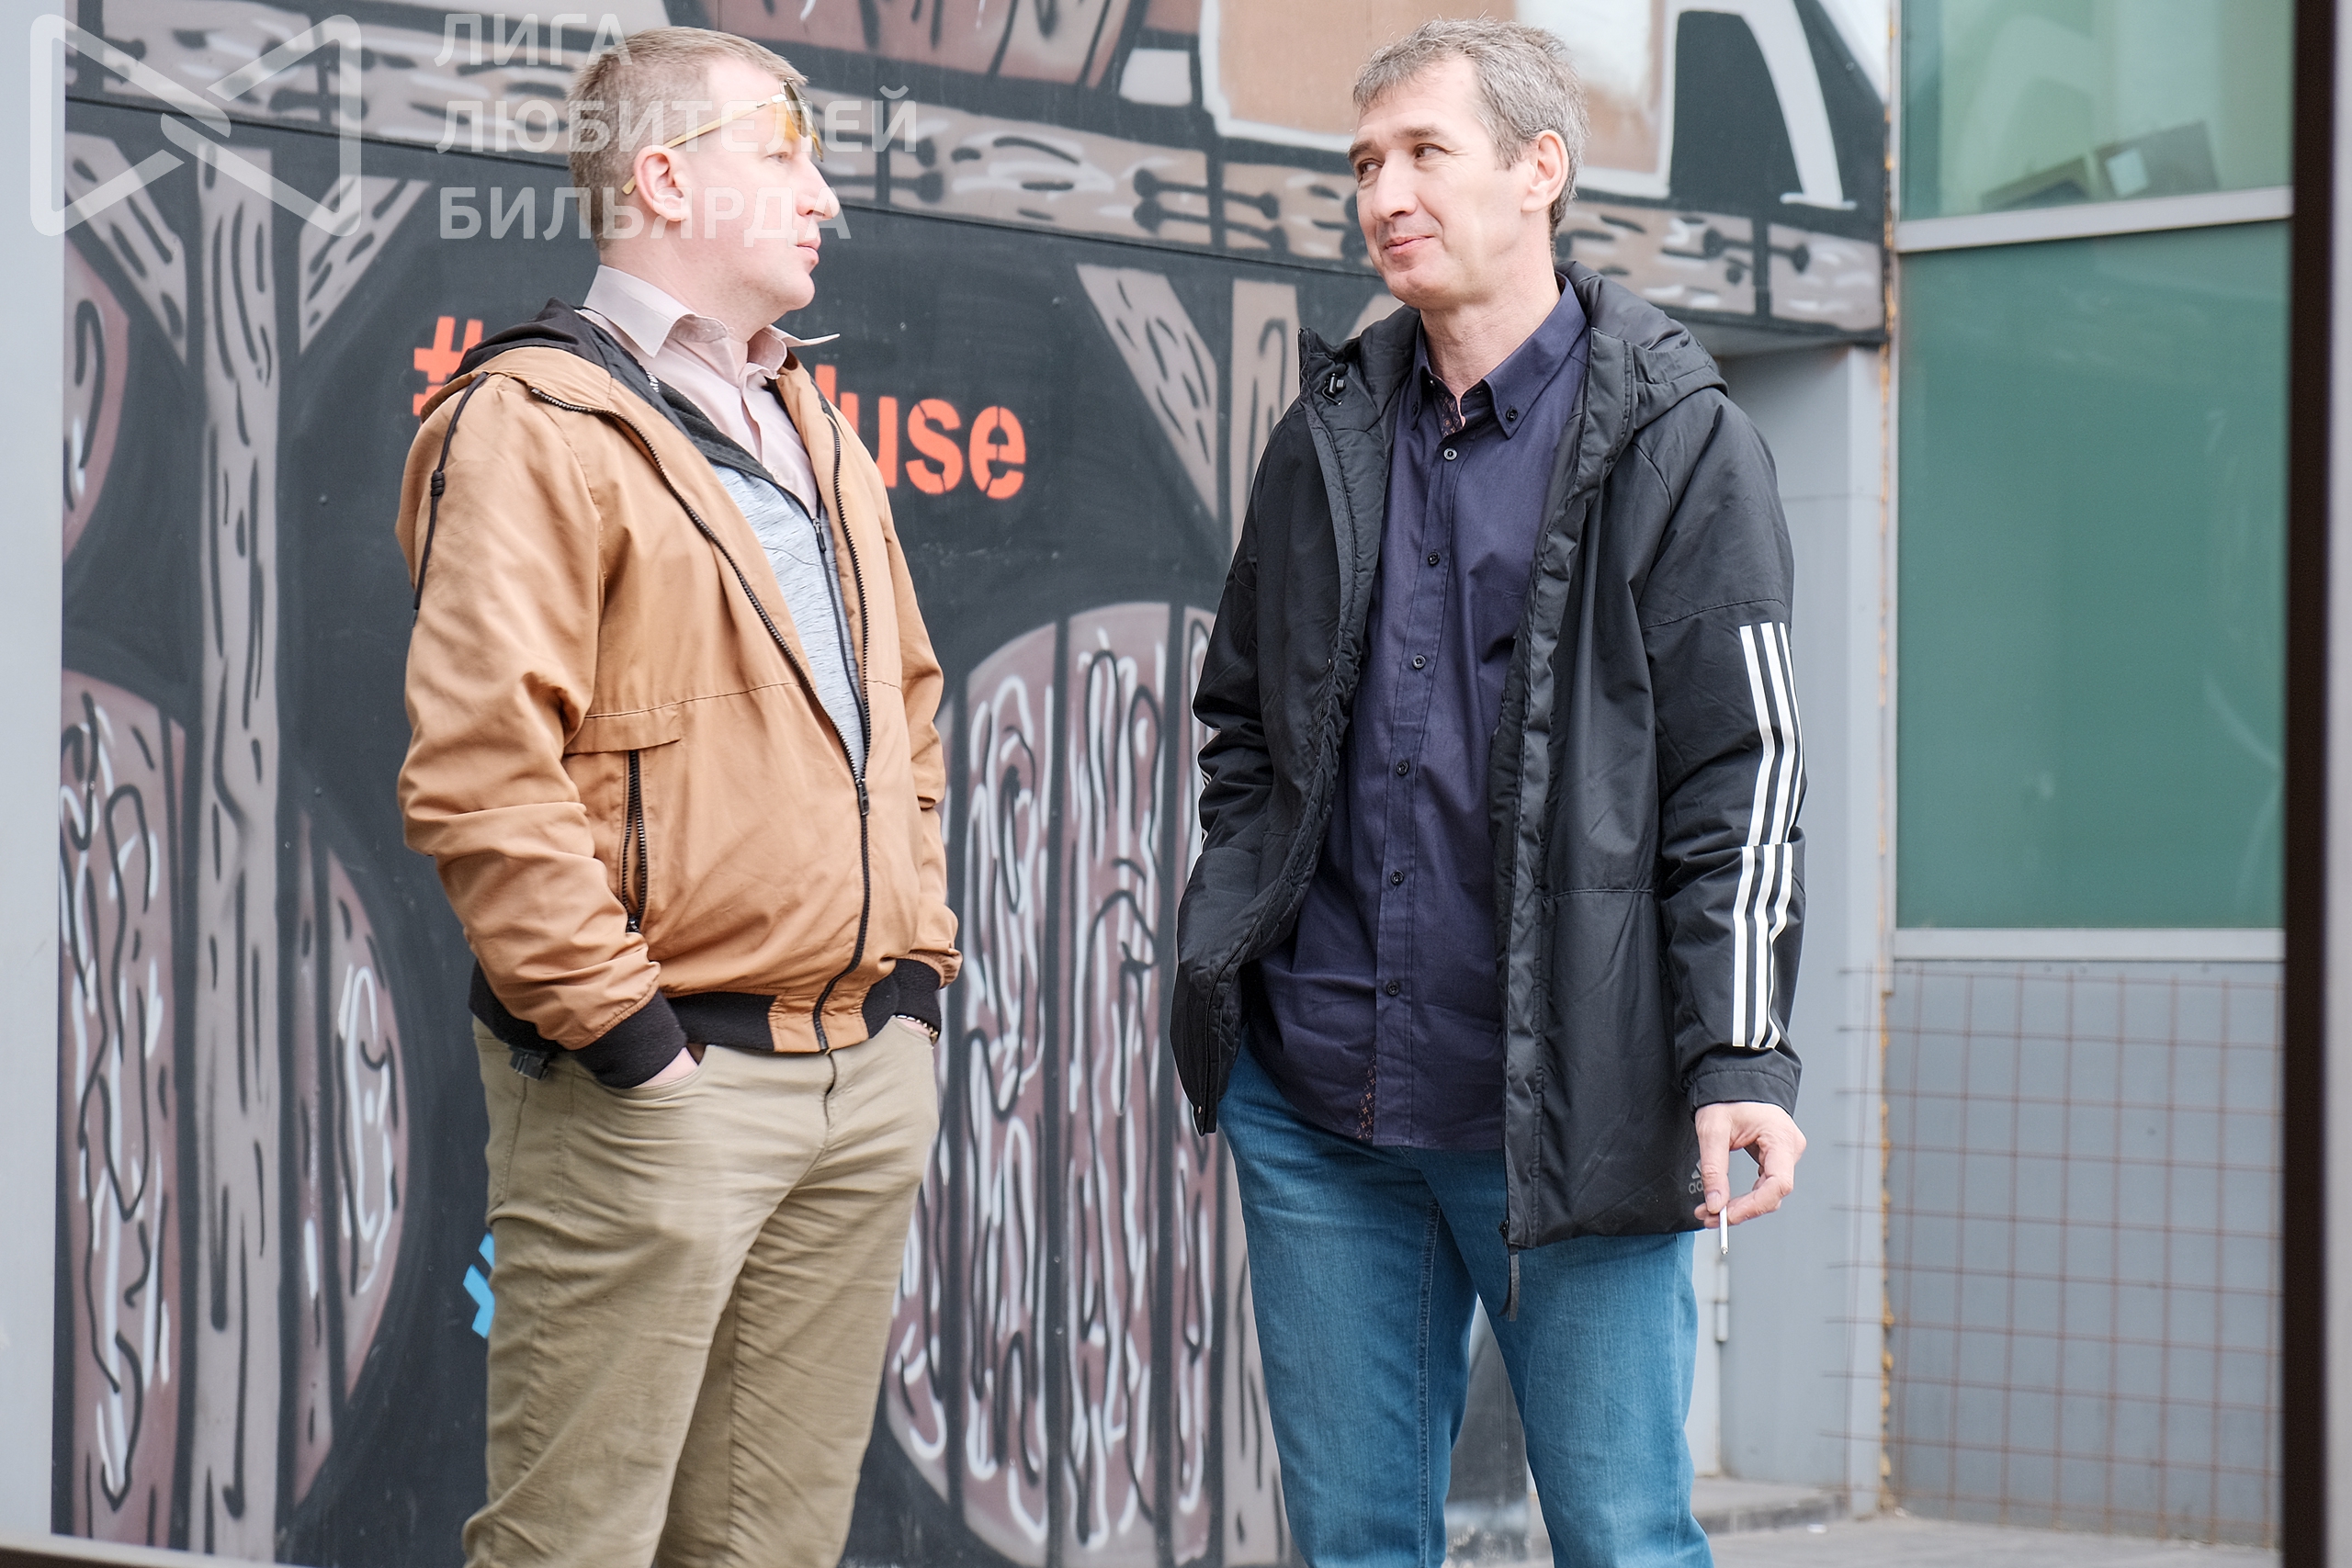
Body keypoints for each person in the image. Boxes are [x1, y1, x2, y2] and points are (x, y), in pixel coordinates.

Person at [1171, 18, 1809, 1565]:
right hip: (1322, 1111)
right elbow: (1242, 720)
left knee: (1621, 1537)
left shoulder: (1679, 440)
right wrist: (1236, 929)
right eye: (1364, 165)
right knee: (1354, 1545)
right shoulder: (1324, 436)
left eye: (1424, 154)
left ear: (1540, 171)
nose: (1385, 194)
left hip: (1575, 1109)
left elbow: (1746, 767)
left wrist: (1738, 1051)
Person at [394, 28, 956, 1568]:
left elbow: (904, 712)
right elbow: (483, 772)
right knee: (571, 1547)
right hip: (655, 1089)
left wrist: (914, 990)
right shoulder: (532, 420)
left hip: (858, 1084)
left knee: (771, 1551)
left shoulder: (812, 425)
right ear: (662, 178)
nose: (824, 198)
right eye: (784, 154)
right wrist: (633, 1047)